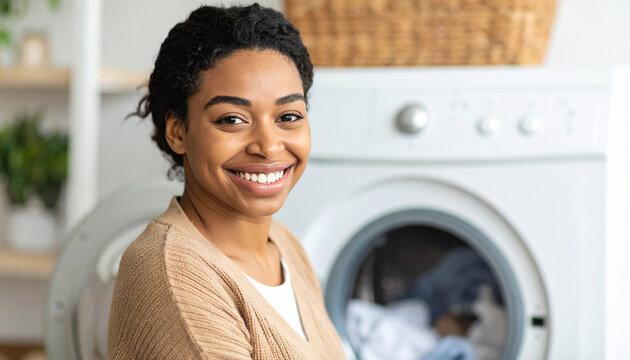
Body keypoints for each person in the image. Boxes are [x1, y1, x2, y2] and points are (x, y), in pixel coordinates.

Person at [107, 4, 345, 359]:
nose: (268, 146)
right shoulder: (175, 277)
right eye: (232, 119)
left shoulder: (284, 246)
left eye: (289, 116)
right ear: (178, 132)